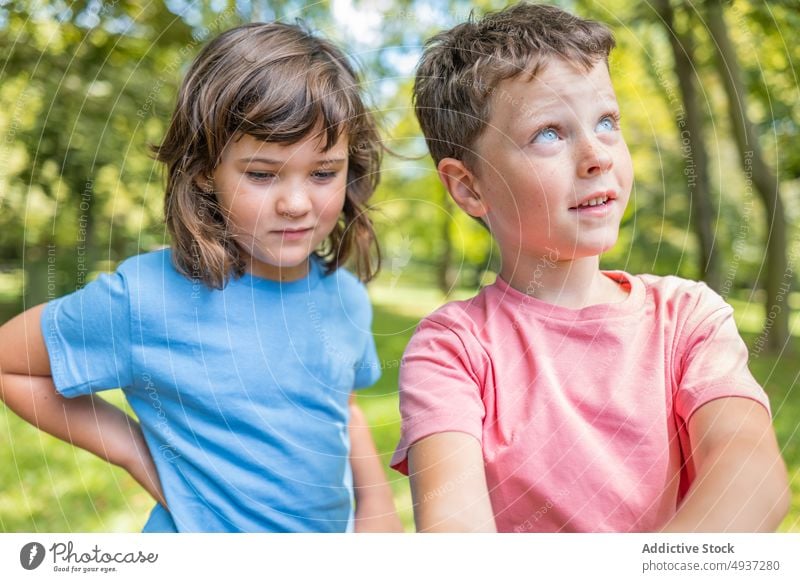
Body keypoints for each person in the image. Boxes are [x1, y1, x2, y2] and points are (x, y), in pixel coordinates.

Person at [390, 2, 789, 533]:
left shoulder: (688, 318)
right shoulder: (452, 350)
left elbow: (751, 478)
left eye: (606, 122)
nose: (597, 154)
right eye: (549, 133)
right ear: (469, 187)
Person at [0, 21, 402, 533]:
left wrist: (377, 509)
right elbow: (12, 363)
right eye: (261, 173)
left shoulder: (344, 295)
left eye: (323, 172)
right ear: (204, 171)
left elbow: (339, 403)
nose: (297, 203)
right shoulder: (144, 298)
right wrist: (140, 458)